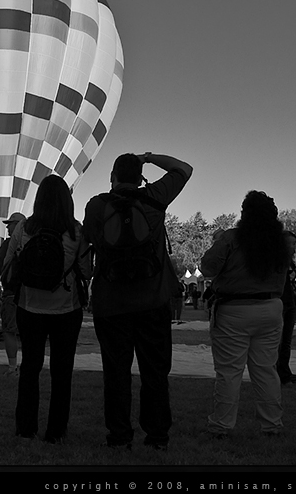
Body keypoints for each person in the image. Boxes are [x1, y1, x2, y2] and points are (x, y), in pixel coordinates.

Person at [83, 152, 193, 451]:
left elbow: (90, 240)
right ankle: (157, 436)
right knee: (155, 373)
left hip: (111, 303)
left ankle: (119, 435)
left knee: (116, 373)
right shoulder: (155, 197)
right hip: (153, 301)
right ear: (140, 177)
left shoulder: (96, 205)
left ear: (112, 177)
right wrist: (150, 157)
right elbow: (184, 168)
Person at [4, 175, 91, 444]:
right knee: (62, 371)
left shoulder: (23, 229)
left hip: (29, 306)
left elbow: (7, 267)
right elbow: (86, 271)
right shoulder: (77, 231)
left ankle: (26, 428)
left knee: (30, 367)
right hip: (67, 308)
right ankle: (56, 431)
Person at [201, 190, 290, 438]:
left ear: (244, 214)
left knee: (229, 372)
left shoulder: (231, 238)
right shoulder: (282, 242)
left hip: (234, 310)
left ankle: (222, 425)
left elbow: (207, 268)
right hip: (271, 308)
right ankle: (272, 424)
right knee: (266, 370)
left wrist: (217, 241)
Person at [0, 212, 26, 377]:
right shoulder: (34, 241)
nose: (7, 227)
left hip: (11, 293)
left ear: (19, 225)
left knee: (9, 330)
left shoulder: (8, 245)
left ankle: (12, 367)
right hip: (30, 294)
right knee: (29, 332)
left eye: (11, 224)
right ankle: (29, 367)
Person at [275, 231, 296, 386]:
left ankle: (284, 372)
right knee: (278, 341)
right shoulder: (275, 261)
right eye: (289, 243)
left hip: (290, 301)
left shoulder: (291, 262)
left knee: (286, 341)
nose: (292, 246)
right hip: (279, 301)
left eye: (293, 244)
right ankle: (278, 373)